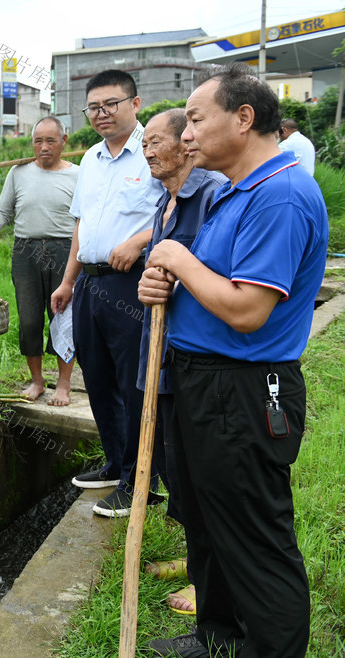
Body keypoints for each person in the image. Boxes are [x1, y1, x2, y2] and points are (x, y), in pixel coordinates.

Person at [140, 63, 326, 658]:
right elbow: (209, 283)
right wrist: (165, 282)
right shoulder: (232, 192)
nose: (184, 134)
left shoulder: (283, 195)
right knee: (205, 523)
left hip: (244, 391)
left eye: (195, 119)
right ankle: (217, 636)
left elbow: (247, 310)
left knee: (254, 538)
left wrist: (180, 260)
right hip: (199, 383)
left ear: (243, 118)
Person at [49, 70, 162, 518]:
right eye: (93, 107)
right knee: (96, 376)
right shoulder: (92, 158)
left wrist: (140, 241)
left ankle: (142, 481)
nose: (101, 114)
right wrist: (68, 281)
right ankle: (116, 463)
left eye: (110, 104)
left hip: (134, 282)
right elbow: (82, 224)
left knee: (134, 383)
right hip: (91, 284)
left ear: (135, 103)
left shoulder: (153, 150)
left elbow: (179, 207)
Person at [137, 108, 227, 616]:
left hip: (198, 359)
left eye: (155, 141)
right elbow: (160, 274)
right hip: (164, 355)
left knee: (204, 475)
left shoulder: (212, 195)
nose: (147, 151)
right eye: (145, 144)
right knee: (178, 467)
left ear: (185, 145)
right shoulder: (164, 201)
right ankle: (196, 561)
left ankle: (209, 581)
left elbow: (214, 275)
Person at [0, 115, 78, 406]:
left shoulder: (77, 175)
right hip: (26, 253)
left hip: (64, 252)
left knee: (62, 319)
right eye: (38, 141)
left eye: (50, 140)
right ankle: (37, 381)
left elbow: (85, 219)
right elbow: (3, 212)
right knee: (30, 320)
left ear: (63, 141)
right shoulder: (18, 173)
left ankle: (64, 384)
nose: (44, 146)